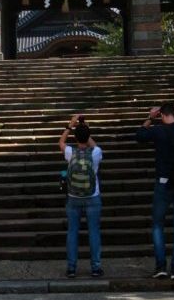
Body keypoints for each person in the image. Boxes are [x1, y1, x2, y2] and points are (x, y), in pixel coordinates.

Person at [135, 102, 174, 280]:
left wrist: (149, 118)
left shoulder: (158, 130)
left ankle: (161, 266)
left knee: (157, 225)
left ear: (161, 115)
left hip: (163, 182)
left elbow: (139, 135)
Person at [59, 113, 103, 279]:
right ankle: (96, 267)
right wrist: (86, 130)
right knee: (94, 232)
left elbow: (61, 142)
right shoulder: (96, 152)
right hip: (93, 196)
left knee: (72, 232)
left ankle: (71, 268)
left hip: (73, 196)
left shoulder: (70, 151)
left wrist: (71, 125)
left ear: (75, 137)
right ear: (88, 136)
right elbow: (94, 145)